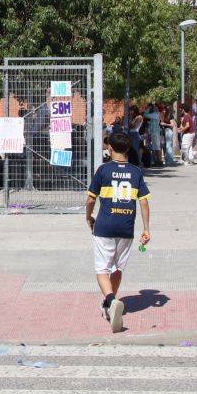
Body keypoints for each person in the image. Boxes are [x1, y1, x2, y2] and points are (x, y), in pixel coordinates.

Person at [86, 131, 151, 334]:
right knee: (117, 268)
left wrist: (88, 217)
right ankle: (109, 305)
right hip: (126, 227)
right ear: (129, 149)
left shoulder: (103, 170)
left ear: (110, 149)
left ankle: (112, 301)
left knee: (102, 270)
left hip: (104, 227)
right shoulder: (136, 172)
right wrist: (146, 229)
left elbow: (90, 199)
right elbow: (144, 201)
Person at [143, 103, 162, 168]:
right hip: (153, 132)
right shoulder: (155, 114)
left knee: (157, 147)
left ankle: (160, 161)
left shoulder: (156, 114)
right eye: (153, 107)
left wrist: (148, 108)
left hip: (156, 133)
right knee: (154, 147)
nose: (154, 108)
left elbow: (145, 115)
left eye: (155, 107)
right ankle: (157, 161)